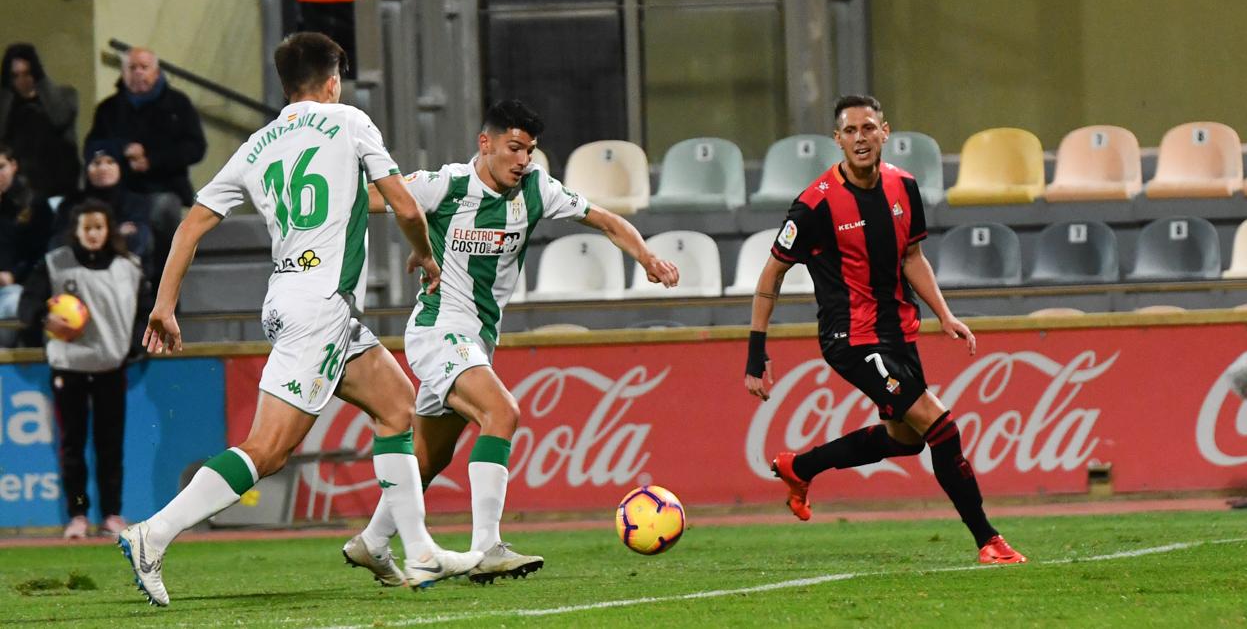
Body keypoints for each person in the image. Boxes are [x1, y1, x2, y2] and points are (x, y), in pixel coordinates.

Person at [117, 32, 481, 607]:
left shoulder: (257, 145)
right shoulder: (349, 121)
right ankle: (152, 534)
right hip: (321, 306)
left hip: (298, 297)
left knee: (397, 406)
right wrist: (426, 254)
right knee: (268, 451)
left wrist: (164, 304)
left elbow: (190, 224)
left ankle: (416, 550)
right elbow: (407, 206)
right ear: (333, 82)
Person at [343, 99, 681, 587]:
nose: (523, 160)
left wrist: (647, 256)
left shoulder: (539, 190)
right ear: (487, 143)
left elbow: (607, 220)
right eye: (514, 148)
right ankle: (486, 546)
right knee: (502, 412)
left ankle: (373, 542)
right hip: (439, 328)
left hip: (477, 338)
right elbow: (376, 198)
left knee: (430, 457)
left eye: (530, 150)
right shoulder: (448, 184)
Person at [744, 95, 1027, 565]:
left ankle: (800, 467)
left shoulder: (905, 187)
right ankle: (988, 540)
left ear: (885, 132)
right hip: (850, 338)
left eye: (868, 128)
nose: (860, 138)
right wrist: (757, 351)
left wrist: (944, 313)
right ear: (837, 140)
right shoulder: (813, 206)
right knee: (942, 426)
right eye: (850, 131)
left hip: (899, 331)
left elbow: (912, 257)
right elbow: (770, 276)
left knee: (906, 439)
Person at [18, 199, 149, 540]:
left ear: (109, 230)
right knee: (72, 446)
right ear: (76, 231)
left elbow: (147, 311)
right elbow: (27, 305)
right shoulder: (56, 264)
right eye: (86, 228)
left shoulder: (129, 267)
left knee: (110, 445)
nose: (93, 234)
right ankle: (77, 514)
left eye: (99, 227)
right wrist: (45, 320)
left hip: (110, 366)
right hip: (69, 367)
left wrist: (134, 346)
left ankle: (111, 514)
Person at [83, 46, 206, 284]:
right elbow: (92, 147)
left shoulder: (178, 104)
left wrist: (152, 159)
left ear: (157, 72)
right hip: (121, 189)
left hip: (163, 187)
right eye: (132, 68)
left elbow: (195, 147)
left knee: (161, 213)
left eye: (144, 67)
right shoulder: (108, 109)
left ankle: (164, 284)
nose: (138, 73)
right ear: (124, 72)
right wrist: (122, 150)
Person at [0, 43, 80, 200]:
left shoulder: (66, 95)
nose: (22, 81)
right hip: (18, 193)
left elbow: (60, 118)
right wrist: (5, 89)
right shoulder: (8, 105)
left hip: (59, 189)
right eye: (15, 76)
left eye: (27, 73)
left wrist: (41, 80)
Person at [53, 147, 153, 268]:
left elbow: (138, 243)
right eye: (96, 163)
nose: (103, 168)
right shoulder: (70, 204)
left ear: (120, 167)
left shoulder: (137, 202)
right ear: (87, 169)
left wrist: (84, 238)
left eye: (110, 162)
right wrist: (116, 233)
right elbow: (58, 244)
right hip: (79, 275)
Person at [0, 145, 55, 347]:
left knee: (14, 302)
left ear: (13, 166)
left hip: (15, 288)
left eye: (1, 167)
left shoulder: (34, 205)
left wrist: (13, 274)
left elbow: (42, 253)